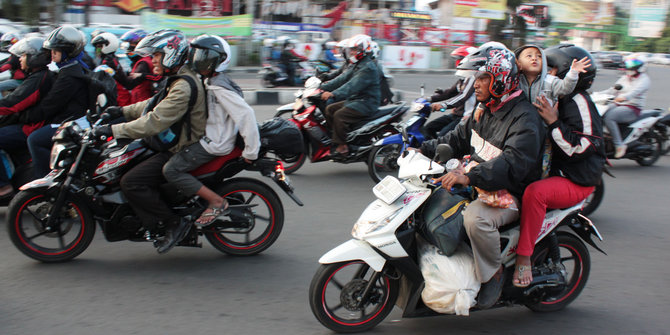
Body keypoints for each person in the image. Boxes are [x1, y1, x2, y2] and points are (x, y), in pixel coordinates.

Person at [420, 43, 545, 309]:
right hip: (480, 181)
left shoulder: (525, 118)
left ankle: (493, 275)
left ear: (500, 79)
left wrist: (470, 176)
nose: (475, 85)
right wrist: (419, 148)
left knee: (476, 219)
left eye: (482, 78)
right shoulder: (484, 109)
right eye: (475, 78)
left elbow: (513, 164)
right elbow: (456, 139)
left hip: (510, 192)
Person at [94, 29, 207, 254]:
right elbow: (148, 105)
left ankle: (172, 223)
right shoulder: (175, 79)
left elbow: (152, 122)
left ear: (171, 54)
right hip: (168, 142)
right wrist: (118, 111)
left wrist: (112, 130)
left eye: (156, 54)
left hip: (181, 148)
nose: (152, 59)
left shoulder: (182, 87)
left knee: (131, 181)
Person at [515, 45, 605, 287]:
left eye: (551, 68)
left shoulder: (579, 101)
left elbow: (582, 146)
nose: (547, 72)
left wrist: (554, 123)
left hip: (576, 178)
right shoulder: (551, 97)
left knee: (535, 194)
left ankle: (523, 257)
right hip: (556, 169)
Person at [162, 34, 260, 229]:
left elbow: (246, 114)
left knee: (170, 170)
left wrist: (251, 151)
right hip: (211, 139)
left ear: (219, 60)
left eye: (205, 56)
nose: (199, 59)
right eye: (198, 54)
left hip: (214, 144)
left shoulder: (219, 87)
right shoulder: (211, 80)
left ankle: (216, 202)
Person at [22, 25, 89, 179]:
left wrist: (24, 116)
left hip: (74, 122)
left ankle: (46, 182)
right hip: (71, 119)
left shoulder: (69, 76)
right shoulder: (71, 68)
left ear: (67, 52)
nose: (52, 55)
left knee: (35, 140)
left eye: (56, 51)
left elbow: (49, 106)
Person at [0, 36, 55, 197]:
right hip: (26, 123)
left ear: (34, 58)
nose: (20, 59)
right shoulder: (36, 76)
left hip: (30, 128)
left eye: (23, 56)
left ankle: (3, 186)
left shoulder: (39, 79)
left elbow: (14, 103)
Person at [320, 34, 381, 156]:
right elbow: (342, 78)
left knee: (339, 115)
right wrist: (321, 87)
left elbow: (352, 86)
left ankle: (343, 146)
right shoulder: (357, 64)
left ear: (364, 49)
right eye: (351, 49)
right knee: (329, 109)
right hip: (356, 100)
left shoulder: (367, 67)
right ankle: (339, 137)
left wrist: (333, 93)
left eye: (355, 49)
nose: (352, 52)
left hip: (366, 102)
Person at [600, 54, 650, 158]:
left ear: (642, 66)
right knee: (599, 112)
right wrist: (596, 95)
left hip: (632, 108)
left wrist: (623, 97)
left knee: (610, 117)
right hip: (618, 104)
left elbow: (634, 92)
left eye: (634, 64)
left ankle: (619, 145)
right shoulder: (624, 78)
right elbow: (612, 90)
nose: (630, 66)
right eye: (629, 63)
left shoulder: (644, 80)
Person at [422, 47, 478, 140]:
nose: (457, 62)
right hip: (456, 115)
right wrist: (428, 99)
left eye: (460, 59)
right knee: (428, 128)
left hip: (466, 117)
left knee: (443, 137)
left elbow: (463, 96)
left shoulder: (473, 77)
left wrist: (443, 105)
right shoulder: (463, 78)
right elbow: (449, 93)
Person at [116, 28, 163, 104]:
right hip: (140, 102)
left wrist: (116, 71)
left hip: (141, 102)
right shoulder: (144, 60)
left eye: (132, 44)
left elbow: (129, 84)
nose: (129, 47)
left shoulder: (143, 63)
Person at [91, 32, 132, 106]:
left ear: (108, 45)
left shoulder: (108, 61)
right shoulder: (111, 59)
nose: (97, 50)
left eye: (99, 47)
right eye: (97, 47)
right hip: (118, 97)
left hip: (118, 99)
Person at [0, 32, 26, 98]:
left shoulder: (16, 56)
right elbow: (5, 61)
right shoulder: (16, 55)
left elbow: (5, 66)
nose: (3, 46)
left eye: (6, 43)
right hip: (18, 79)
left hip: (20, 81)